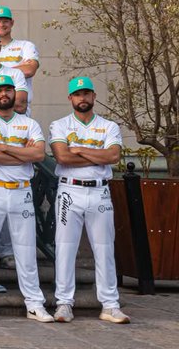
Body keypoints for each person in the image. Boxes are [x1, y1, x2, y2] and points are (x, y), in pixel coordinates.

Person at [0, 75, 52, 323]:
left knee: (26, 250)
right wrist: (21, 152)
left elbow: (37, 154)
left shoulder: (29, 123)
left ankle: (34, 303)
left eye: (8, 90)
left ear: (15, 93)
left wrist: (4, 147)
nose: (3, 94)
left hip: (21, 191)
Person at [50, 77, 129, 324]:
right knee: (65, 247)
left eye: (86, 93)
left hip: (99, 191)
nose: (82, 98)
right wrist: (97, 156)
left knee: (105, 248)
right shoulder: (60, 125)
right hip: (69, 191)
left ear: (94, 96)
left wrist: (79, 149)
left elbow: (114, 155)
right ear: (70, 99)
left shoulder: (109, 126)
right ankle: (64, 303)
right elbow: (62, 157)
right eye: (77, 94)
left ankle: (110, 304)